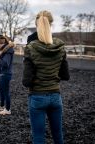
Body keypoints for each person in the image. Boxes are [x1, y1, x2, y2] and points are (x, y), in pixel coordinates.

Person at [22, 10, 70, 144]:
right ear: (51, 24)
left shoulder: (30, 48)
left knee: (38, 137)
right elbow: (65, 75)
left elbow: (26, 81)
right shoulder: (60, 46)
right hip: (55, 97)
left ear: (37, 25)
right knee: (58, 135)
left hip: (37, 97)